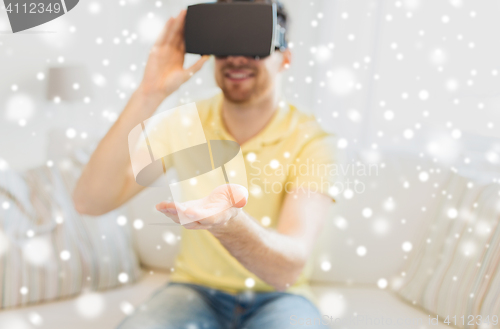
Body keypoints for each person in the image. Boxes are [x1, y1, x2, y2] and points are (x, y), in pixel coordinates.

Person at [73, 0, 338, 328]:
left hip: (280, 296)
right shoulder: (187, 122)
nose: (237, 58)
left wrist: (229, 225)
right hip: (193, 290)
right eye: (226, 43)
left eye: (252, 44)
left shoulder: (312, 140)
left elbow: (287, 268)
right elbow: (89, 201)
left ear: (285, 57)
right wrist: (150, 92)